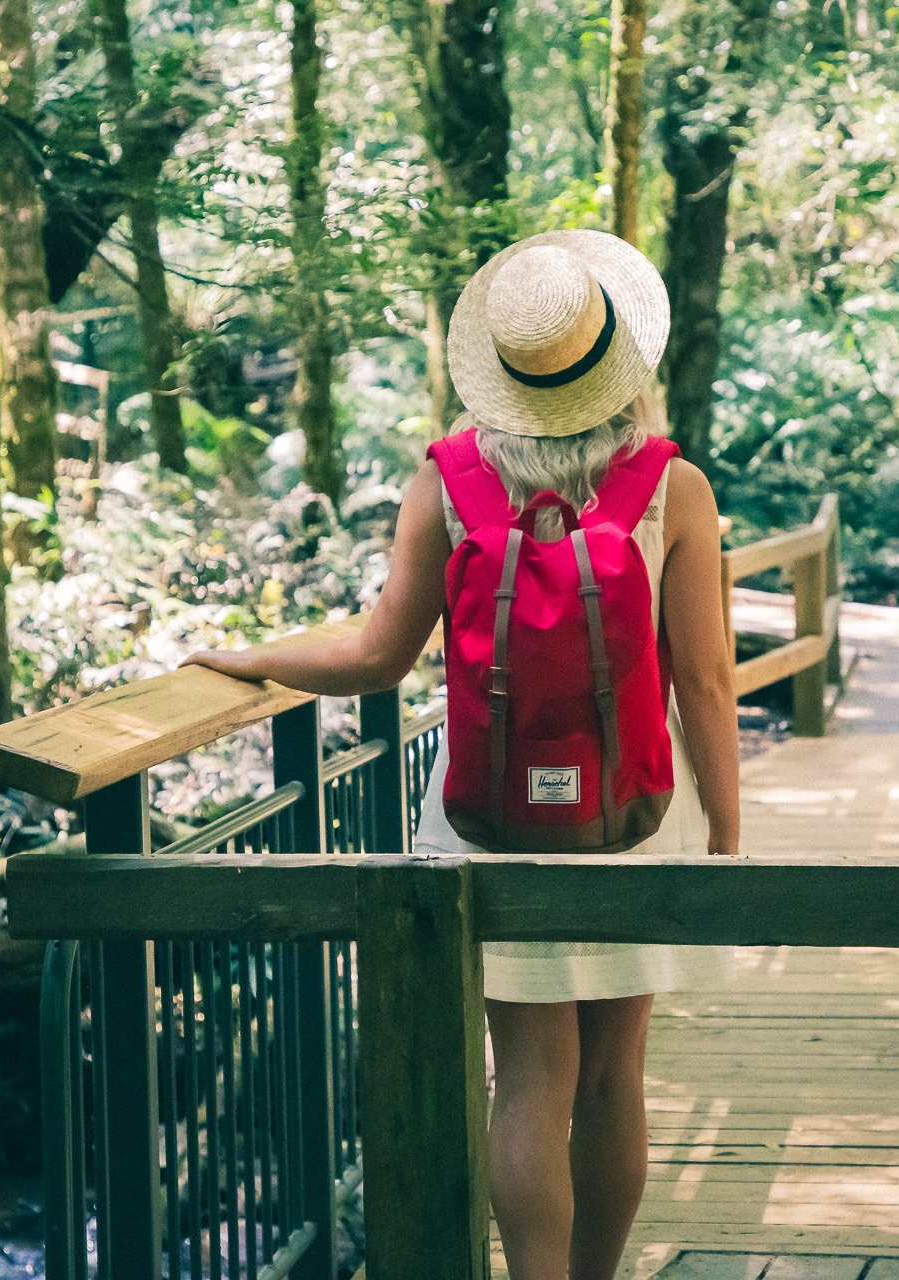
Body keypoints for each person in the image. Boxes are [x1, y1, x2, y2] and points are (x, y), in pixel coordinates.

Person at [185, 229, 740, 1280]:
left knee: (528, 1077)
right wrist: (728, 834)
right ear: (620, 356)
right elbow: (705, 681)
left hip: (487, 819)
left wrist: (250, 653)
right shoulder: (674, 486)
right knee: (616, 1073)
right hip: (631, 819)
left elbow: (375, 653)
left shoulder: (445, 480)